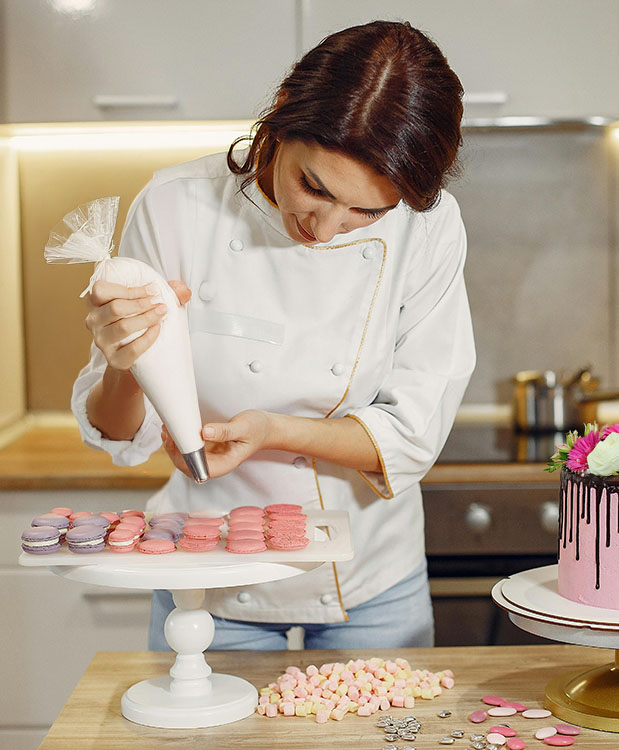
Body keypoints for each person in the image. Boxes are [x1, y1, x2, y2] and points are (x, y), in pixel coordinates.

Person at [71, 21, 475, 651]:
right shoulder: (175, 205)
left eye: (367, 211)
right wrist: (123, 361)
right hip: (210, 570)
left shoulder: (429, 226)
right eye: (313, 187)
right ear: (282, 117)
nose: (327, 227)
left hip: (369, 578)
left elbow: (412, 433)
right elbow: (123, 432)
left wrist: (272, 431)